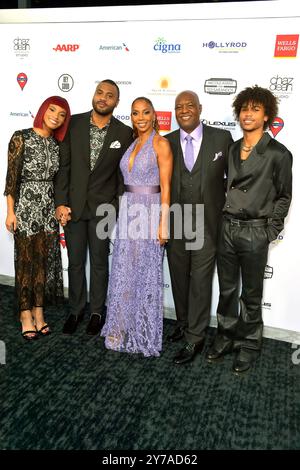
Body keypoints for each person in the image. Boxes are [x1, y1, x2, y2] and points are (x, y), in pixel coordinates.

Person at [206, 85, 293, 374]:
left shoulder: (279, 154)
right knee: (228, 290)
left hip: (256, 231)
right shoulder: (232, 148)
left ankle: (250, 344)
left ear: (267, 115)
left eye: (255, 109)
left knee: (252, 293)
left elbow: (284, 196)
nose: (248, 114)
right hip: (228, 228)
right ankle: (226, 336)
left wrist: (270, 230)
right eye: (244, 109)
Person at [54, 79, 133, 336]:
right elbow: (64, 168)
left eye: (109, 95)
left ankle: (97, 312)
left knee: (99, 263)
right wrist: (61, 203)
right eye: (100, 92)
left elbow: (123, 176)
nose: (103, 98)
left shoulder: (123, 132)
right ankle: (76, 311)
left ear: (116, 102)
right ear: (94, 95)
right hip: (74, 208)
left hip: (103, 210)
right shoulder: (73, 123)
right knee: (75, 262)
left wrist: (116, 206)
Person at [101, 97, 173, 357]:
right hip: (129, 209)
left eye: (145, 112)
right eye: (135, 113)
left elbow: (166, 187)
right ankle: (120, 324)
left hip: (150, 211)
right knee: (124, 269)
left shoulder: (161, 144)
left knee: (144, 272)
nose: (140, 117)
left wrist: (163, 223)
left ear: (154, 115)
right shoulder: (133, 143)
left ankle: (143, 331)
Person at [165, 90, 233, 364]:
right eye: (178, 106)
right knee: (179, 277)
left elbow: (235, 177)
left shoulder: (222, 138)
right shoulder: (166, 142)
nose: (184, 110)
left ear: (200, 108)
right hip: (176, 220)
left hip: (207, 223)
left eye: (189, 105)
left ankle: (195, 337)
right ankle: (183, 322)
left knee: (201, 282)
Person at [4, 96, 71, 340]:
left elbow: (58, 181)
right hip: (25, 207)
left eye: (62, 114)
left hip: (47, 209)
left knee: (42, 263)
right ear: (43, 110)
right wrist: (11, 211)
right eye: (52, 109)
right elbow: (11, 178)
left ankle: (39, 312)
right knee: (25, 262)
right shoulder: (20, 136)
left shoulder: (56, 145)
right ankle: (25, 314)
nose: (56, 116)